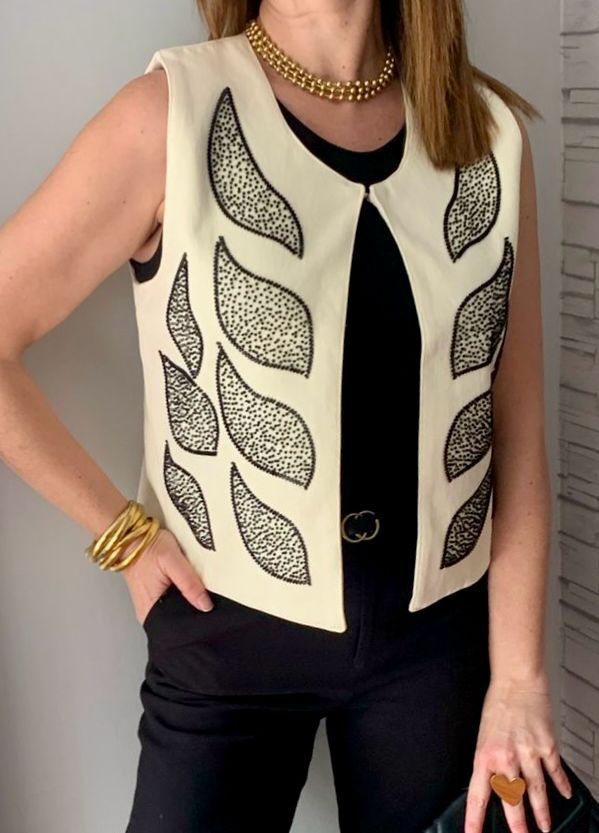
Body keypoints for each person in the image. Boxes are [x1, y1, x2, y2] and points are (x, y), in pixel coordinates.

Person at [0, 2, 574, 832]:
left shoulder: (485, 134)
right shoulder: (170, 116)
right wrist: (121, 534)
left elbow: (513, 433)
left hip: (437, 653)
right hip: (224, 639)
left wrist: (518, 677)